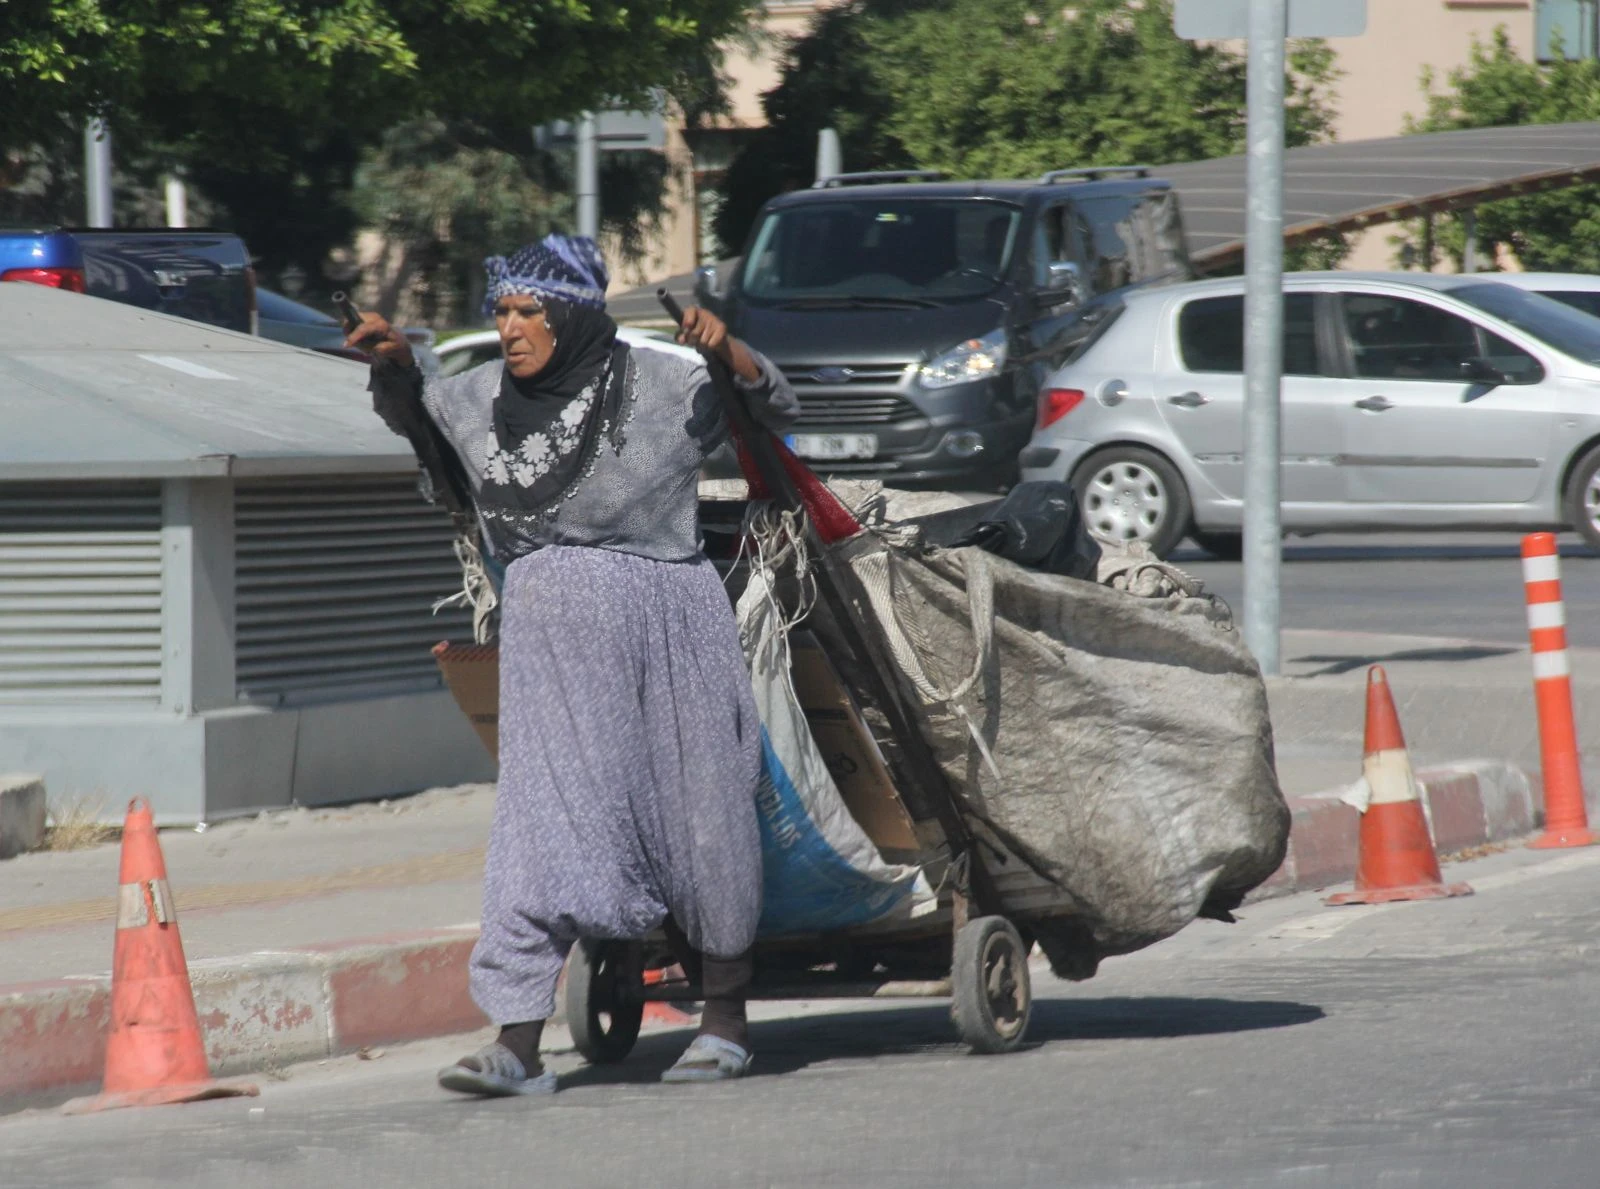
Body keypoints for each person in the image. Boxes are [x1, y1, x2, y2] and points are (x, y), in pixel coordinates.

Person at [348, 235, 799, 1096]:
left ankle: (726, 1022)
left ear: (577, 314)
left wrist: (727, 350)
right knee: (538, 826)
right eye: (502, 312)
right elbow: (437, 452)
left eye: (529, 312)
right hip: (550, 649)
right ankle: (517, 1044)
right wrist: (398, 370)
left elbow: (777, 405)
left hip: (667, 628)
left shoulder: (667, 383)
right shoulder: (476, 397)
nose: (511, 329)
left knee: (700, 813)